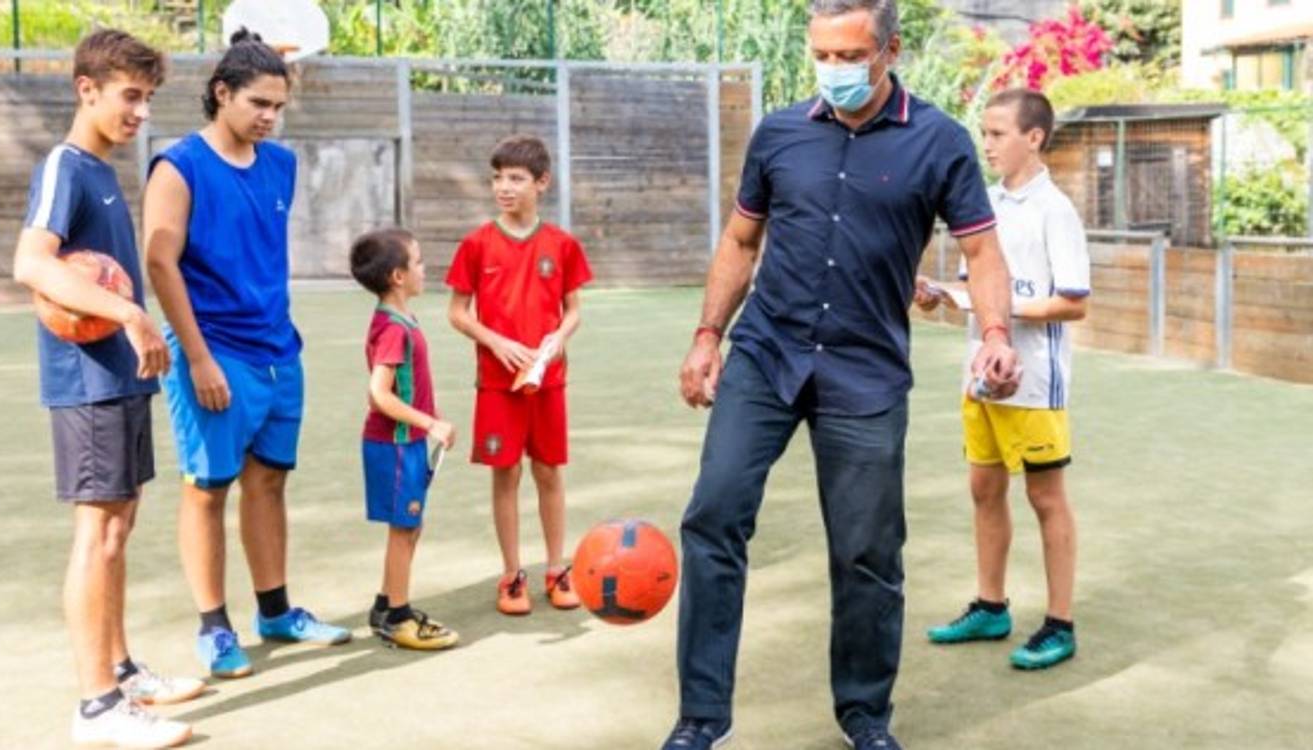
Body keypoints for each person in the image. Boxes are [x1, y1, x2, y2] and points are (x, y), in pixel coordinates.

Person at [664, 1, 1023, 748]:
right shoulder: (779, 134)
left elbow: (983, 253)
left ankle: (864, 715)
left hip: (865, 371)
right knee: (712, 519)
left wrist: (994, 333)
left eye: (848, 55)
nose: (834, 71)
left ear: (889, 49)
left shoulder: (939, 142)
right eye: (821, 56)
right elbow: (739, 241)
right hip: (765, 355)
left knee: (866, 552)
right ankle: (701, 718)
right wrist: (707, 336)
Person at [12, 29, 200, 748]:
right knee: (97, 533)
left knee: (119, 528)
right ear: (85, 89)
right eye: (129, 95)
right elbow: (32, 264)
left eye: (148, 99)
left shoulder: (102, 170)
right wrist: (128, 314)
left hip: (121, 377)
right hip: (85, 382)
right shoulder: (64, 165)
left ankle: (119, 670)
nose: (139, 112)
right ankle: (96, 707)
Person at [144, 28, 350, 680]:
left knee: (270, 480)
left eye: (277, 106)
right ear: (220, 93)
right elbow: (159, 261)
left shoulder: (279, 163)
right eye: (257, 103)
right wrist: (198, 359)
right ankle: (213, 626)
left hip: (277, 349)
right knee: (208, 488)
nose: (268, 116)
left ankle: (276, 611)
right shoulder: (178, 167)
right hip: (214, 350)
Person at [917, 88, 1090, 670]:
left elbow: (1072, 303)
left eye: (997, 134)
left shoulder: (1055, 211)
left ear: (1033, 137)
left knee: (1045, 497)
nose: (986, 144)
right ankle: (991, 607)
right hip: (979, 381)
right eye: (984, 133)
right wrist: (942, 297)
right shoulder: (985, 204)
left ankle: (1060, 624)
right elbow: (979, 290)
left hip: (1034, 385)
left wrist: (999, 314)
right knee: (983, 490)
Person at [445, 134, 593, 616]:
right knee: (504, 472)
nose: (503, 188)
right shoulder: (476, 244)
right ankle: (512, 576)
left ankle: (557, 568)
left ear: (541, 182)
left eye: (515, 178)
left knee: (548, 470)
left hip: (548, 380)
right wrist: (495, 341)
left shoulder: (562, 245)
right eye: (497, 178)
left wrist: (557, 340)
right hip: (496, 382)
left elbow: (573, 311)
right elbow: (458, 312)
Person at [351, 227, 462, 650]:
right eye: (417, 261)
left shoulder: (399, 320)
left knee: (410, 526)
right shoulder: (394, 329)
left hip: (407, 442)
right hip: (395, 445)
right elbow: (378, 394)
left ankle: (386, 603)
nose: (423, 268)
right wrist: (430, 423)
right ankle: (397, 617)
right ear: (398, 276)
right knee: (404, 528)